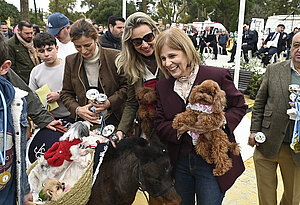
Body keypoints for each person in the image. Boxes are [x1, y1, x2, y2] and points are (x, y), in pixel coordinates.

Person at [154, 28, 247, 205]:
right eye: (163, 58)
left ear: (187, 51)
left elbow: (239, 106)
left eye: (172, 56)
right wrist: (184, 127)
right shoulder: (163, 86)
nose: (167, 63)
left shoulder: (216, 76)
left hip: (211, 161)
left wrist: (219, 122)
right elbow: (160, 124)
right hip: (180, 161)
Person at [248, 32, 300, 205]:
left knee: (294, 199)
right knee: (266, 199)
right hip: (266, 144)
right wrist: (254, 131)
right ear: (290, 47)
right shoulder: (274, 69)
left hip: (295, 151)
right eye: (296, 45)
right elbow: (259, 103)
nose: (299, 50)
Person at [61, 19, 127, 126]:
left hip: (114, 118)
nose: (83, 51)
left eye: (87, 45)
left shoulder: (115, 57)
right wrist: (78, 110)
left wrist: (109, 102)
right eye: (78, 47)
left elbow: (126, 87)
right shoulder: (70, 61)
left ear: (96, 38)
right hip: (85, 122)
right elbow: (66, 93)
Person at [115, 12, 163, 139]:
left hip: (170, 127)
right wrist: (121, 131)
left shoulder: (169, 59)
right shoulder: (132, 67)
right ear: (131, 44)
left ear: (155, 33)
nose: (145, 45)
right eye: (137, 42)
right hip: (146, 130)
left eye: (148, 38)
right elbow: (132, 103)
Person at [29, 32, 70, 119]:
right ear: (36, 52)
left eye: (49, 49)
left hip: (71, 115)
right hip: (49, 119)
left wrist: (60, 95)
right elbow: (33, 97)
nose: (46, 54)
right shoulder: (36, 71)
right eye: (41, 51)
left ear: (57, 48)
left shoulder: (68, 66)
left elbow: (78, 90)